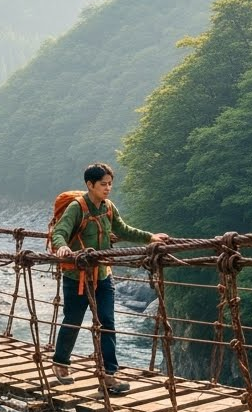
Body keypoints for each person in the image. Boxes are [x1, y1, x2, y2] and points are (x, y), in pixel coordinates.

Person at [51, 162, 169, 393]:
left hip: (104, 275)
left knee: (108, 323)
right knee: (73, 319)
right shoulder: (77, 207)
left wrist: (151, 238)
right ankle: (61, 363)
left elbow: (123, 229)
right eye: (103, 184)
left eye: (110, 184)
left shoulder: (108, 207)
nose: (107, 188)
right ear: (90, 184)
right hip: (77, 277)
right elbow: (60, 231)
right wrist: (62, 247)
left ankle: (108, 376)